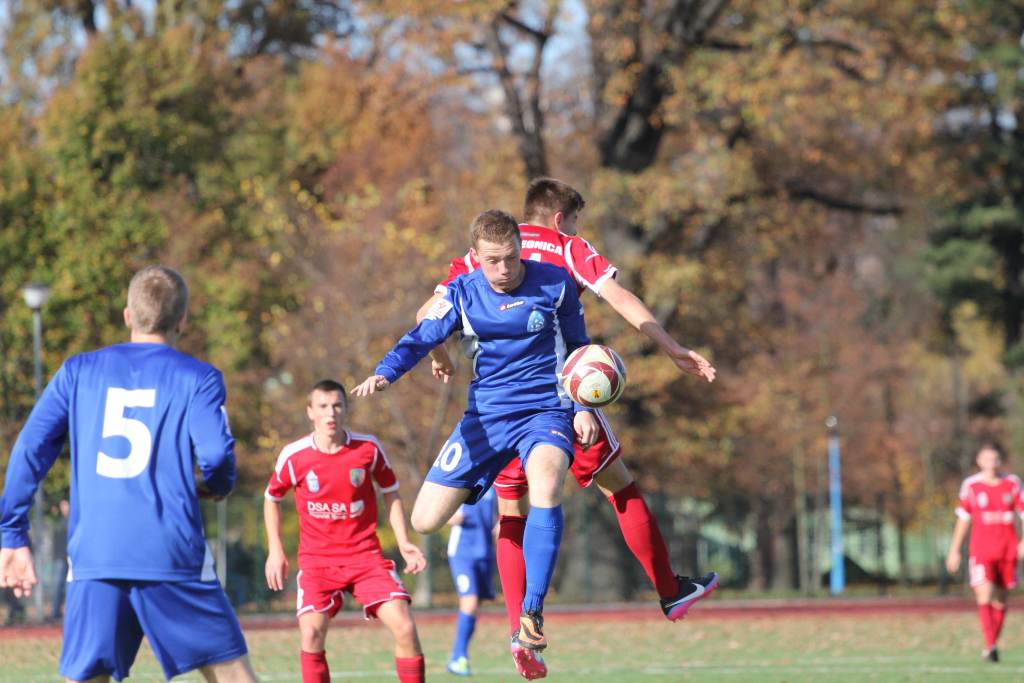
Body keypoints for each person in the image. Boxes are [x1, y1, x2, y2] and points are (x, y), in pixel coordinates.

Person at [417, 178, 718, 678]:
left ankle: (522, 632)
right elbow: (619, 297)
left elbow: (428, 315)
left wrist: (441, 353)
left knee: (510, 512)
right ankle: (670, 590)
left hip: (497, 407)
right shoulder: (566, 247)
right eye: (575, 219)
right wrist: (672, 347)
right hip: (559, 399)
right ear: (560, 218)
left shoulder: (486, 254)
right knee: (619, 485)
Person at [353, 209, 589, 662]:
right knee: (424, 520)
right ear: (475, 257)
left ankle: (531, 616)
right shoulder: (462, 292)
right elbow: (422, 336)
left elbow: (580, 349)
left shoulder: (555, 283)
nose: (504, 270)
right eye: (493, 261)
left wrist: (582, 407)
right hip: (485, 418)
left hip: (545, 411)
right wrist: (385, 374)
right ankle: (479, 482)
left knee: (545, 484)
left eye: (511, 258)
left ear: (520, 249)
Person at [0, 265, 257, 683]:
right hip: (170, 551)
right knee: (231, 675)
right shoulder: (198, 377)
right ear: (183, 321)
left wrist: (12, 533)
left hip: (97, 554)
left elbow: (30, 449)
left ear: (127, 315)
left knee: (86, 677)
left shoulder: (77, 371)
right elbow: (215, 454)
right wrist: (215, 486)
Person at [264, 379, 427, 683]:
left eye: (338, 405)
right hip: (317, 562)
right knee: (311, 633)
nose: (331, 413)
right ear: (310, 411)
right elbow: (272, 498)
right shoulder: (294, 455)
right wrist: (276, 550)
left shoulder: (367, 448)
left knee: (405, 626)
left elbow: (390, 491)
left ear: (346, 409)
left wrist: (403, 541)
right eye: (323, 407)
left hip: (365, 558)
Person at [946, 441, 1024, 663]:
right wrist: (954, 551)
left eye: (995, 459)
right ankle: (989, 645)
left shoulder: (1012, 483)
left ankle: (992, 645)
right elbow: (963, 519)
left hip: (1007, 550)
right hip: (981, 550)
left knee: (1000, 601)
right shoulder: (971, 485)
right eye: (986, 459)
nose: (991, 464)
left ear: (1001, 461)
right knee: (984, 594)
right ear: (979, 461)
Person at [445, 486, 498, 676]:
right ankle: (457, 657)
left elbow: (496, 515)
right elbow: (440, 507)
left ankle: (460, 655)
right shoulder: (464, 477)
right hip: (462, 551)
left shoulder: (495, 482)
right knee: (470, 601)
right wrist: (449, 517)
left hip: (485, 552)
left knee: (476, 606)